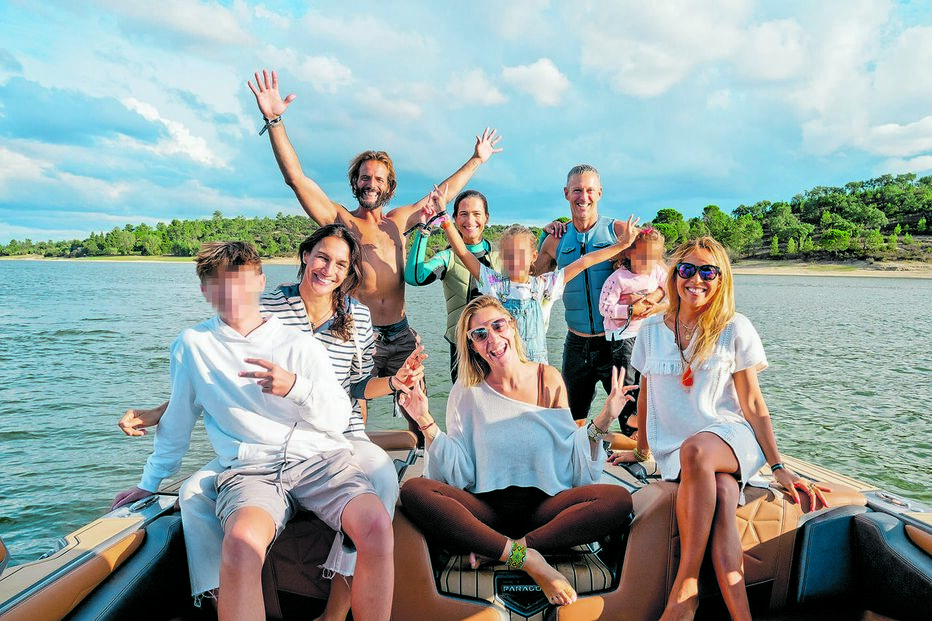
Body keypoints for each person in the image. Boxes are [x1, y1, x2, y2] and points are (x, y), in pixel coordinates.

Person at [118, 226, 423, 621]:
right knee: (232, 533)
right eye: (220, 286)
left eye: (242, 284)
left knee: (378, 514)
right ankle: (219, 598)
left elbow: (345, 399)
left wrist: (296, 386)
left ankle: (335, 611)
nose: (233, 295)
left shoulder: (308, 340)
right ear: (205, 292)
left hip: (320, 454)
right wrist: (149, 483)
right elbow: (182, 412)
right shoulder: (193, 345)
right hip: (252, 466)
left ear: (259, 282)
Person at [247, 69, 502, 443]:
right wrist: (274, 121)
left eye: (379, 179)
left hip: (399, 332)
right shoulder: (341, 221)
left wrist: (477, 159)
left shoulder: (400, 222)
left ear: (389, 186)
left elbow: (441, 195)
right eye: (365, 178)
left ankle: (433, 477)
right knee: (349, 418)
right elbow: (297, 179)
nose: (371, 184)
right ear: (356, 182)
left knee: (419, 412)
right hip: (353, 332)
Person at [610, 237, 830, 621]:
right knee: (724, 497)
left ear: (721, 279)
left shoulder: (734, 328)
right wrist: (643, 451)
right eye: (687, 269)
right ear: (674, 275)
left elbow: (753, 404)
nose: (697, 279)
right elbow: (645, 397)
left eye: (708, 271)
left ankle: (686, 587)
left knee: (697, 451)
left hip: (731, 438)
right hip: (680, 451)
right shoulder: (648, 331)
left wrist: (778, 467)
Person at [399, 296, 635, 607]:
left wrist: (604, 418)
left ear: (512, 326)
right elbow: (458, 471)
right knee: (415, 490)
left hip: (544, 511)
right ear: (471, 346)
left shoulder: (546, 378)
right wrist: (423, 419)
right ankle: (525, 559)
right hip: (486, 512)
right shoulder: (465, 391)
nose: (492, 339)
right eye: (480, 334)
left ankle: (514, 548)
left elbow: (571, 457)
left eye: (497, 325)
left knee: (616, 499)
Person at [423, 185, 638, 365]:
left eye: (521, 254)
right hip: (503, 364)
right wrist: (444, 216)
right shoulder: (494, 283)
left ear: (534, 255)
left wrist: (623, 244)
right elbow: (461, 250)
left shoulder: (546, 284)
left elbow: (585, 261)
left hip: (536, 367)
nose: (515, 260)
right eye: (509, 255)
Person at [532, 164, 638, 421]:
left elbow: (660, 278)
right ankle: (583, 457)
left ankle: (629, 455)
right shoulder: (556, 238)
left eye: (590, 190)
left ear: (600, 192)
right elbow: (529, 278)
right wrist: (539, 236)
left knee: (631, 422)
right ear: (566, 193)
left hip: (617, 342)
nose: (584, 197)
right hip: (576, 344)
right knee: (570, 419)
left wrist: (651, 304)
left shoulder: (620, 232)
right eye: (577, 190)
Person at [404, 189, 499, 381]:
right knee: (465, 407)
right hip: (462, 347)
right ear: (454, 218)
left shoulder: (501, 256)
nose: (470, 220)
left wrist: (547, 233)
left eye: (476, 214)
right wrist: (425, 229)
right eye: (463, 214)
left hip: (498, 345)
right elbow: (415, 277)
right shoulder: (447, 257)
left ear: (487, 218)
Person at [598, 226, 667, 434]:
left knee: (649, 379)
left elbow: (674, 293)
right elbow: (605, 308)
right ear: (629, 252)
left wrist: (658, 306)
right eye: (643, 256)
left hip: (648, 334)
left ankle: (647, 425)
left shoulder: (657, 272)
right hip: (623, 337)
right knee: (628, 382)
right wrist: (630, 309)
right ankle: (629, 428)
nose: (648, 261)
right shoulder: (619, 278)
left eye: (654, 257)